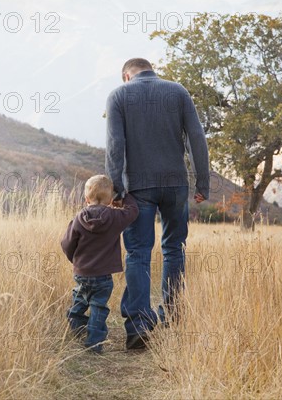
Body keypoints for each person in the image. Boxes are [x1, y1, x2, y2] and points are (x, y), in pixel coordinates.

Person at [105, 58, 209, 350]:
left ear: (127, 75)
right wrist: (203, 183)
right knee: (174, 249)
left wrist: (116, 190)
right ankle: (172, 315)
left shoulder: (118, 95)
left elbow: (115, 145)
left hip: (138, 187)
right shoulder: (177, 91)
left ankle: (138, 327)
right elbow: (197, 138)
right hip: (176, 185)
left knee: (138, 252)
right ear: (151, 70)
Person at [61, 174, 138, 353]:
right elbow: (133, 211)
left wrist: (75, 260)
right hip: (103, 276)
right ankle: (93, 344)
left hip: (81, 272)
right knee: (98, 307)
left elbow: (66, 243)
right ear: (111, 199)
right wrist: (125, 196)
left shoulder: (79, 217)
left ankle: (76, 326)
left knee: (80, 299)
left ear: (86, 198)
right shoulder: (115, 217)